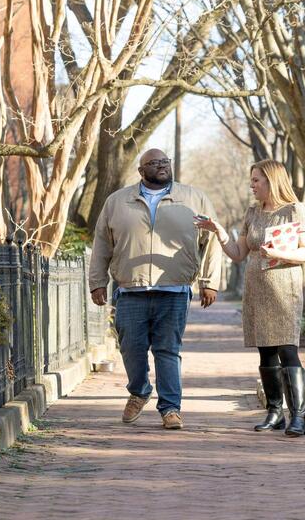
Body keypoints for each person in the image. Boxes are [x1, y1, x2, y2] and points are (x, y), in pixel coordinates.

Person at [89, 148, 222, 430]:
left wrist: (209, 282)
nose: (161, 166)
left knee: (167, 350)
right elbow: (102, 242)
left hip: (174, 289)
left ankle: (170, 409)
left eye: (165, 162)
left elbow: (211, 242)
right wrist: (97, 281)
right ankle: (139, 391)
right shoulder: (117, 201)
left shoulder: (194, 198)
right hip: (130, 289)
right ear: (141, 171)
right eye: (154, 163)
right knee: (131, 347)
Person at [195, 159, 305, 437]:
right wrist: (219, 231)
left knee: (287, 349)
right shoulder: (252, 213)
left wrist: (279, 255)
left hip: (284, 287)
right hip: (257, 287)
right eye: (251, 181)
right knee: (265, 350)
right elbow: (238, 254)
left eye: (256, 180)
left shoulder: (295, 210)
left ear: (272, 181)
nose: (252, 186)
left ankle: (299, 416)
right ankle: (275, 413)